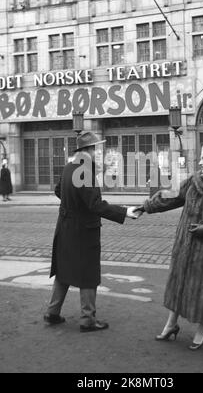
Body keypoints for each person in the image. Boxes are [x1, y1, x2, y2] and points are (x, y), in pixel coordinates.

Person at [136, 145, 203, 350]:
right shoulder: (195, 181)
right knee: (180, 285)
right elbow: (172, 196)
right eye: (201, 157)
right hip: (185, 247)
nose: (201, 161)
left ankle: (201, 330)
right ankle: (170, 324)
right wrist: (146, 206)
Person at [44, 131, 140, 332]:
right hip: (83, 232)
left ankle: (52, 312)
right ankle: (87, 319)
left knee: (64, 270)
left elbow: (58, 191)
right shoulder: (85, 171)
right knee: (88, 273)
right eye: (95, 149)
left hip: (64, 228)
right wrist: (125, 212)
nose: (98, 152)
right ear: (87, 150)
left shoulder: (69, 167)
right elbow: (95, 204)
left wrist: (73, 205)